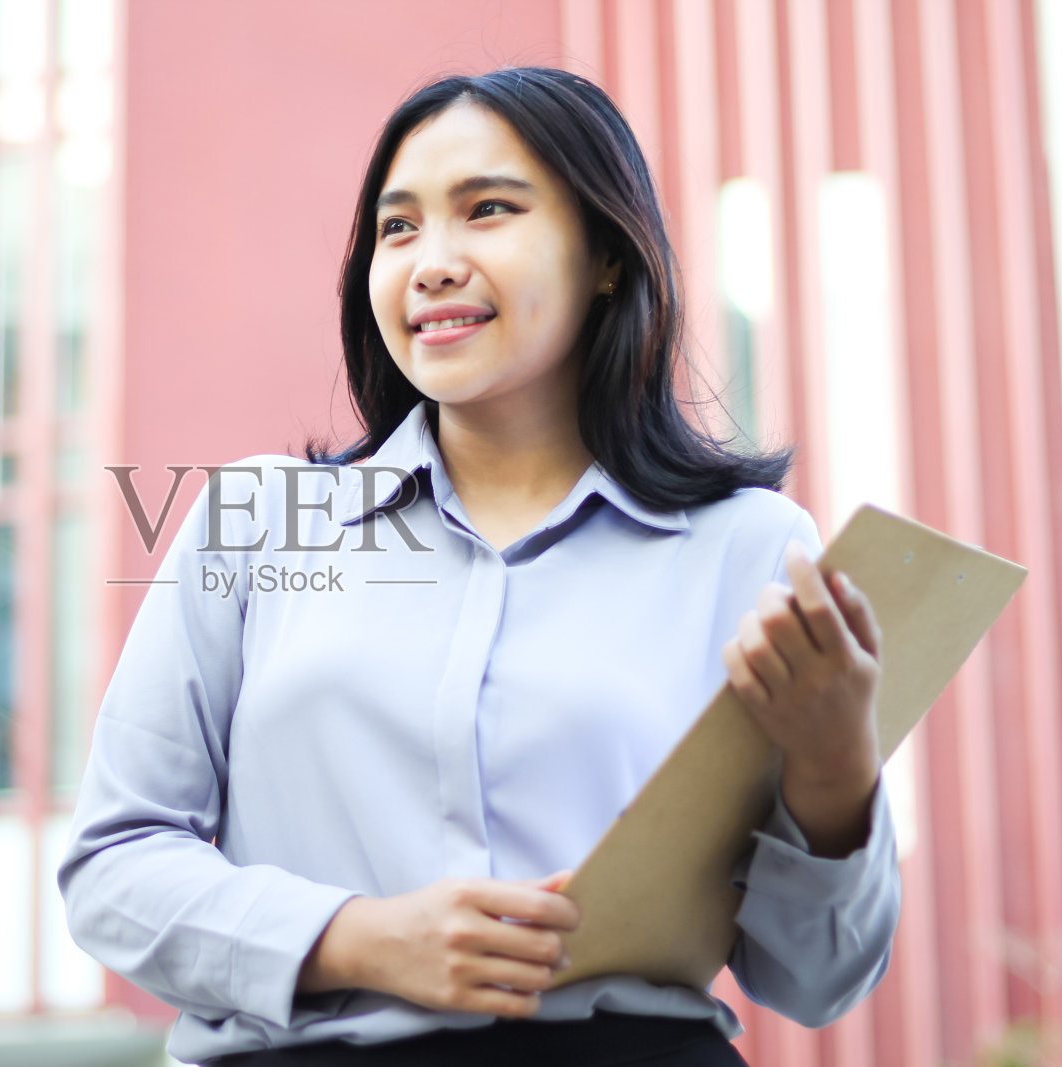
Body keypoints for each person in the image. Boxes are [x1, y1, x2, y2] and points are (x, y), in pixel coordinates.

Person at [57, 67, 899, 1066]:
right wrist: (358, 936)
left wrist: (835, 767)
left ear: (605, 255)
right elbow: (113, 870)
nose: (430, 262)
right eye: (397, 227)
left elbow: (817, 978)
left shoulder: (749, 546)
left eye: (487, 211)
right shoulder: (258, 521)